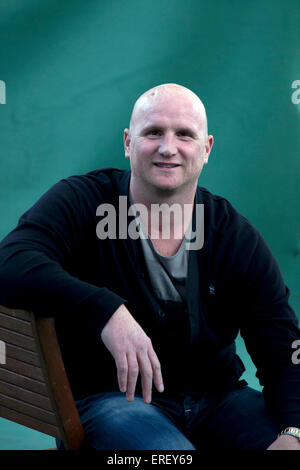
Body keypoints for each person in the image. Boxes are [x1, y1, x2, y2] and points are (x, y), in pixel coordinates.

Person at [0, 83, 299, 451]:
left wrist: (293, 432)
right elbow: (10, 264)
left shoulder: (232, 234)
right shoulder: (82, 201)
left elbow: (284, 349)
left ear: (206, 150)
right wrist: (106, 310)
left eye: (185, 135)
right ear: (128, 142)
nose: (168, 147)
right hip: (110, 405)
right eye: (153, 132)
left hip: (217, 402)